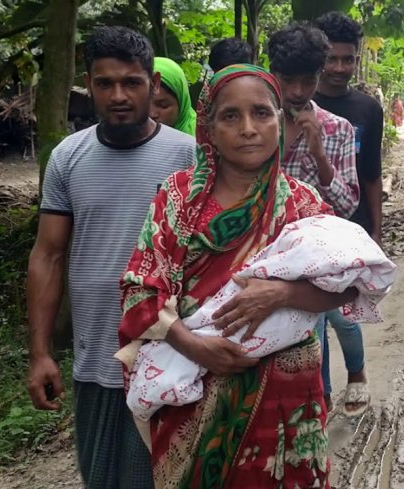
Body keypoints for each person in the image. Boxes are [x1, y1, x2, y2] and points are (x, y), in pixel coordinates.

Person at [118, 64, 352, 488]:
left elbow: (346, 285)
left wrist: (282, 294)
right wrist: (196, 348)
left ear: (280, 121)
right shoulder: (178, 199)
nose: (248, 128)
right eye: (230, 116)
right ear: (208, 127)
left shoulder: (302, 204)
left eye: (261, 113)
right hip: (194, 385)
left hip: (286, 395)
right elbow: (140, 288)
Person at [26, 26, 196, 488]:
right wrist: (40, 353)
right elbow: (48, 254)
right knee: (102, 478)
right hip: (96, 357)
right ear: (90, 84)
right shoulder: (68, 158)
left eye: (131, 82)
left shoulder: (190, 157)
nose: (118, 95)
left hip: (172, 356)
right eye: (105, 84)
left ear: (153, 86)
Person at [268, 23, 360, 414]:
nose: (298, 92)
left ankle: (318, 412)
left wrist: (320, 154)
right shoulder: (252, 125)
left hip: (310, 263)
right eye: (289, 80)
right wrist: (279, 144)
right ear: (272, 73)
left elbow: (347, 203)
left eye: (308, 81)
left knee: (312, 343)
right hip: (258, 260)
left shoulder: (338, 129)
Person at [313, 11, 385, 417]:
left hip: (348, 226)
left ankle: (356, 374)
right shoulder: (294, 101)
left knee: (340, 316)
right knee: (312, 320)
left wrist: (376, 228)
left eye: (348, 59)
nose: (340, 68)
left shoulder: (367, 109)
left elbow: (371, 173)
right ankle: (320, 396)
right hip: (302, 229)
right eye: (332, 59)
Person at [151, 57, 197, 135]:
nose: (152, 114)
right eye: (143, 105)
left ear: (181, 103)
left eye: (163, 105)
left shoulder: (201, 140)